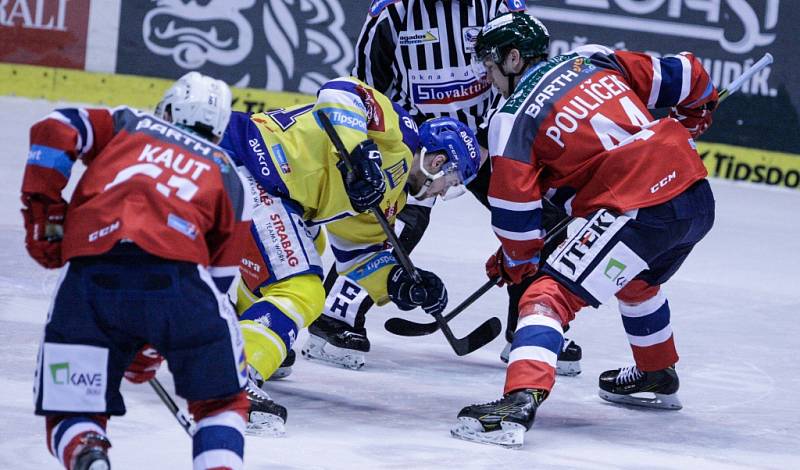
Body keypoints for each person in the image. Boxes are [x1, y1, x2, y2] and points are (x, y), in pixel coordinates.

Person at [450, 11, 717, 447]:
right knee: (635, 278)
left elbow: (515, 212)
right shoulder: (592, 59)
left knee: (545, 296)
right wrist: (694, 118)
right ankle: (656, 371)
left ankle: (517, 403)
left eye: (490, 65)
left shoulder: (511, 118)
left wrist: (518, 263)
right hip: (694, 194)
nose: (487, 76)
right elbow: (691, 73)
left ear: (514, 59)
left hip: (636, 206)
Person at [305, 0, 583, 375]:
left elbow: (526, 75)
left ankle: (532, 328)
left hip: (487, 140)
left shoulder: (501, 6)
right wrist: (381, 153)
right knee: (395, 223)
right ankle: (334, 320)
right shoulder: (391, 14)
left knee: (538, 220)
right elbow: (367, 89)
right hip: (416, 145)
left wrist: (490, 139)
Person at [219, 75, 479, 432]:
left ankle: (249, 332)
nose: (440, 193)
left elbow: (358, 252)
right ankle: (233, 379)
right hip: (249, 164)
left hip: (262, 182)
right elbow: (339, 91)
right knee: (302, 288)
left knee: (313, 242)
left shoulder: (393, 198)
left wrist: (401, 283)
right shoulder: (399, 131)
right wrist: (360, 151)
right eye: (449, 184)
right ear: (436, 162)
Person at [24, 72, 251, 469]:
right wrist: (152, 344)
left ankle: (91, 457)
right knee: (221, 403)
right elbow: (219, 285)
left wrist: (45, 210)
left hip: (89, 279)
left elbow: (56, 128)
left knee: (72, 407)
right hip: (180, 281)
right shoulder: (229, 173)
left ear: (165, 108)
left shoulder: (128, 125)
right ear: (219, 130)